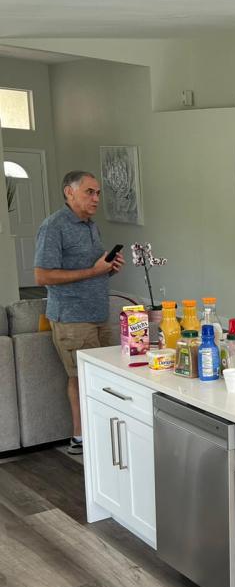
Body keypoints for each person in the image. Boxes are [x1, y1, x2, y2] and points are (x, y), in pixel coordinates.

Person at [34, 171, 124, 455]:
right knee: (81, 377)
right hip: (72, 317)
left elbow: (90, 271)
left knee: (106, 375)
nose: (96, 198)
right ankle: (81, 437)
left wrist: (107, 269)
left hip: (98, 313)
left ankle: (104, 434)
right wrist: (94, 271)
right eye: (89, 192)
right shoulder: (53, 227)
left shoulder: (90, 226)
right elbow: (42, 276)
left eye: (98, 193)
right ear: (69, 192)